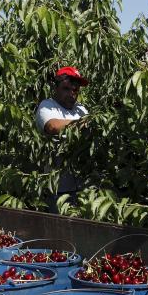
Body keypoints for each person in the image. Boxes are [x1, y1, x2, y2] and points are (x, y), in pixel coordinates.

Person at [34, 66, 90, 212]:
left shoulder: (81, 109)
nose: (72, 94)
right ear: (56, 88)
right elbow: (52, 126)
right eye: (66, 88)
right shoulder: (47, 106)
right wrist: (82, 123)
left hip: (83, 186)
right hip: (57, 188)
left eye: (75, 90)